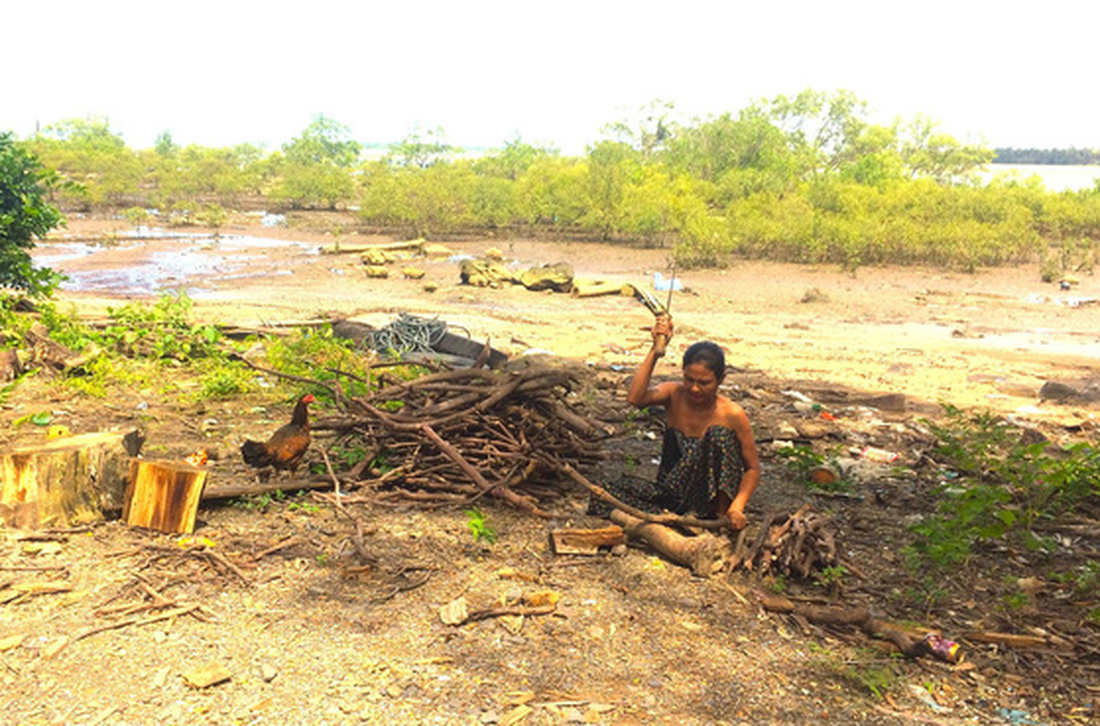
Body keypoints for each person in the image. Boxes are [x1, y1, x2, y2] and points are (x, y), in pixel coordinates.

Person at [593, 314, 761, 529]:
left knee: (718, 435)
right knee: (604, 493)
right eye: (689, 379)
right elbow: (635, 398)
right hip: (673, 493)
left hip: (712, 502)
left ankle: (718, 517)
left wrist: (737, 507)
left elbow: (753, 469)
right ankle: (674, 517)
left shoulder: (731, 413)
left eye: (704, 382)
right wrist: (655, 351)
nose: (694, 388)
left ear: (721, 379)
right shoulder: (673, 394)